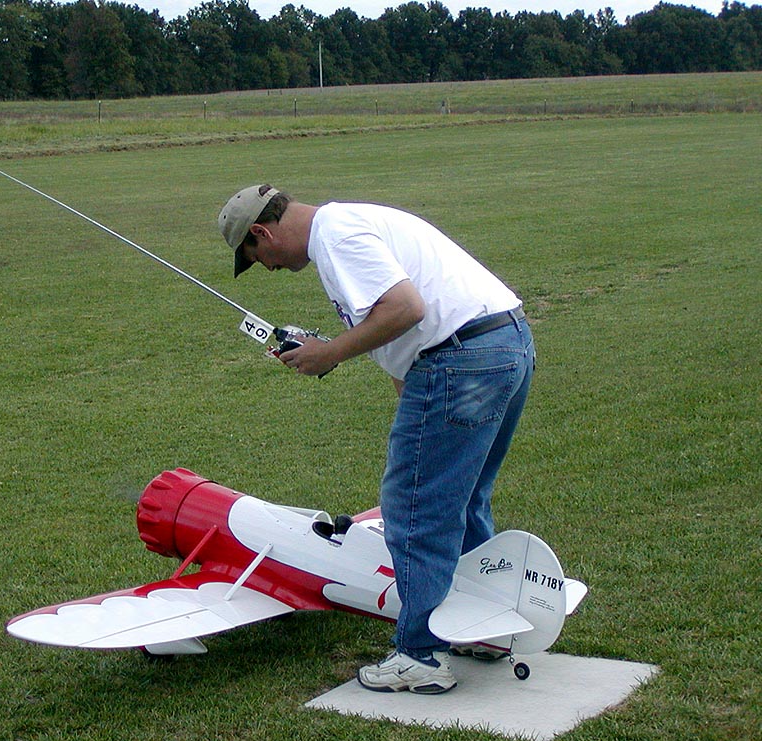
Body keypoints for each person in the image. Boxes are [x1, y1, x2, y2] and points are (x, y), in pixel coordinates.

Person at [217, 184, 535, 694]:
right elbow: (400, 334)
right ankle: (486, 626)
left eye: (257, 257)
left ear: (262, 232)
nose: (268, 269)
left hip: (462, 359)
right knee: (464, 496)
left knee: (414, 509)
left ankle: (420, 656)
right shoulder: (346, 225)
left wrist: (329, 353)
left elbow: (405, 308)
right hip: (503, 344)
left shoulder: (337, 237)